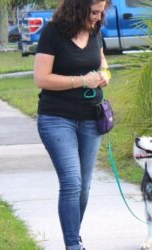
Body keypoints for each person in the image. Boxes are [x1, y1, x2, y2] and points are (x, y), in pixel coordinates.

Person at [33, 0, 111, 249]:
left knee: (84, 186)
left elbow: (103, 64)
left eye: (101, 13)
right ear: (78, 8)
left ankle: (73, 236)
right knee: (71, 182)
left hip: (91, 118)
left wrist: (104, 77)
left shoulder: (95, 32)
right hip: (57, 118)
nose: (98, 18)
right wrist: (81, 81)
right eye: (94, 12)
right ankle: (73, 245)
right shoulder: (52, 32)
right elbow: (41, 78)